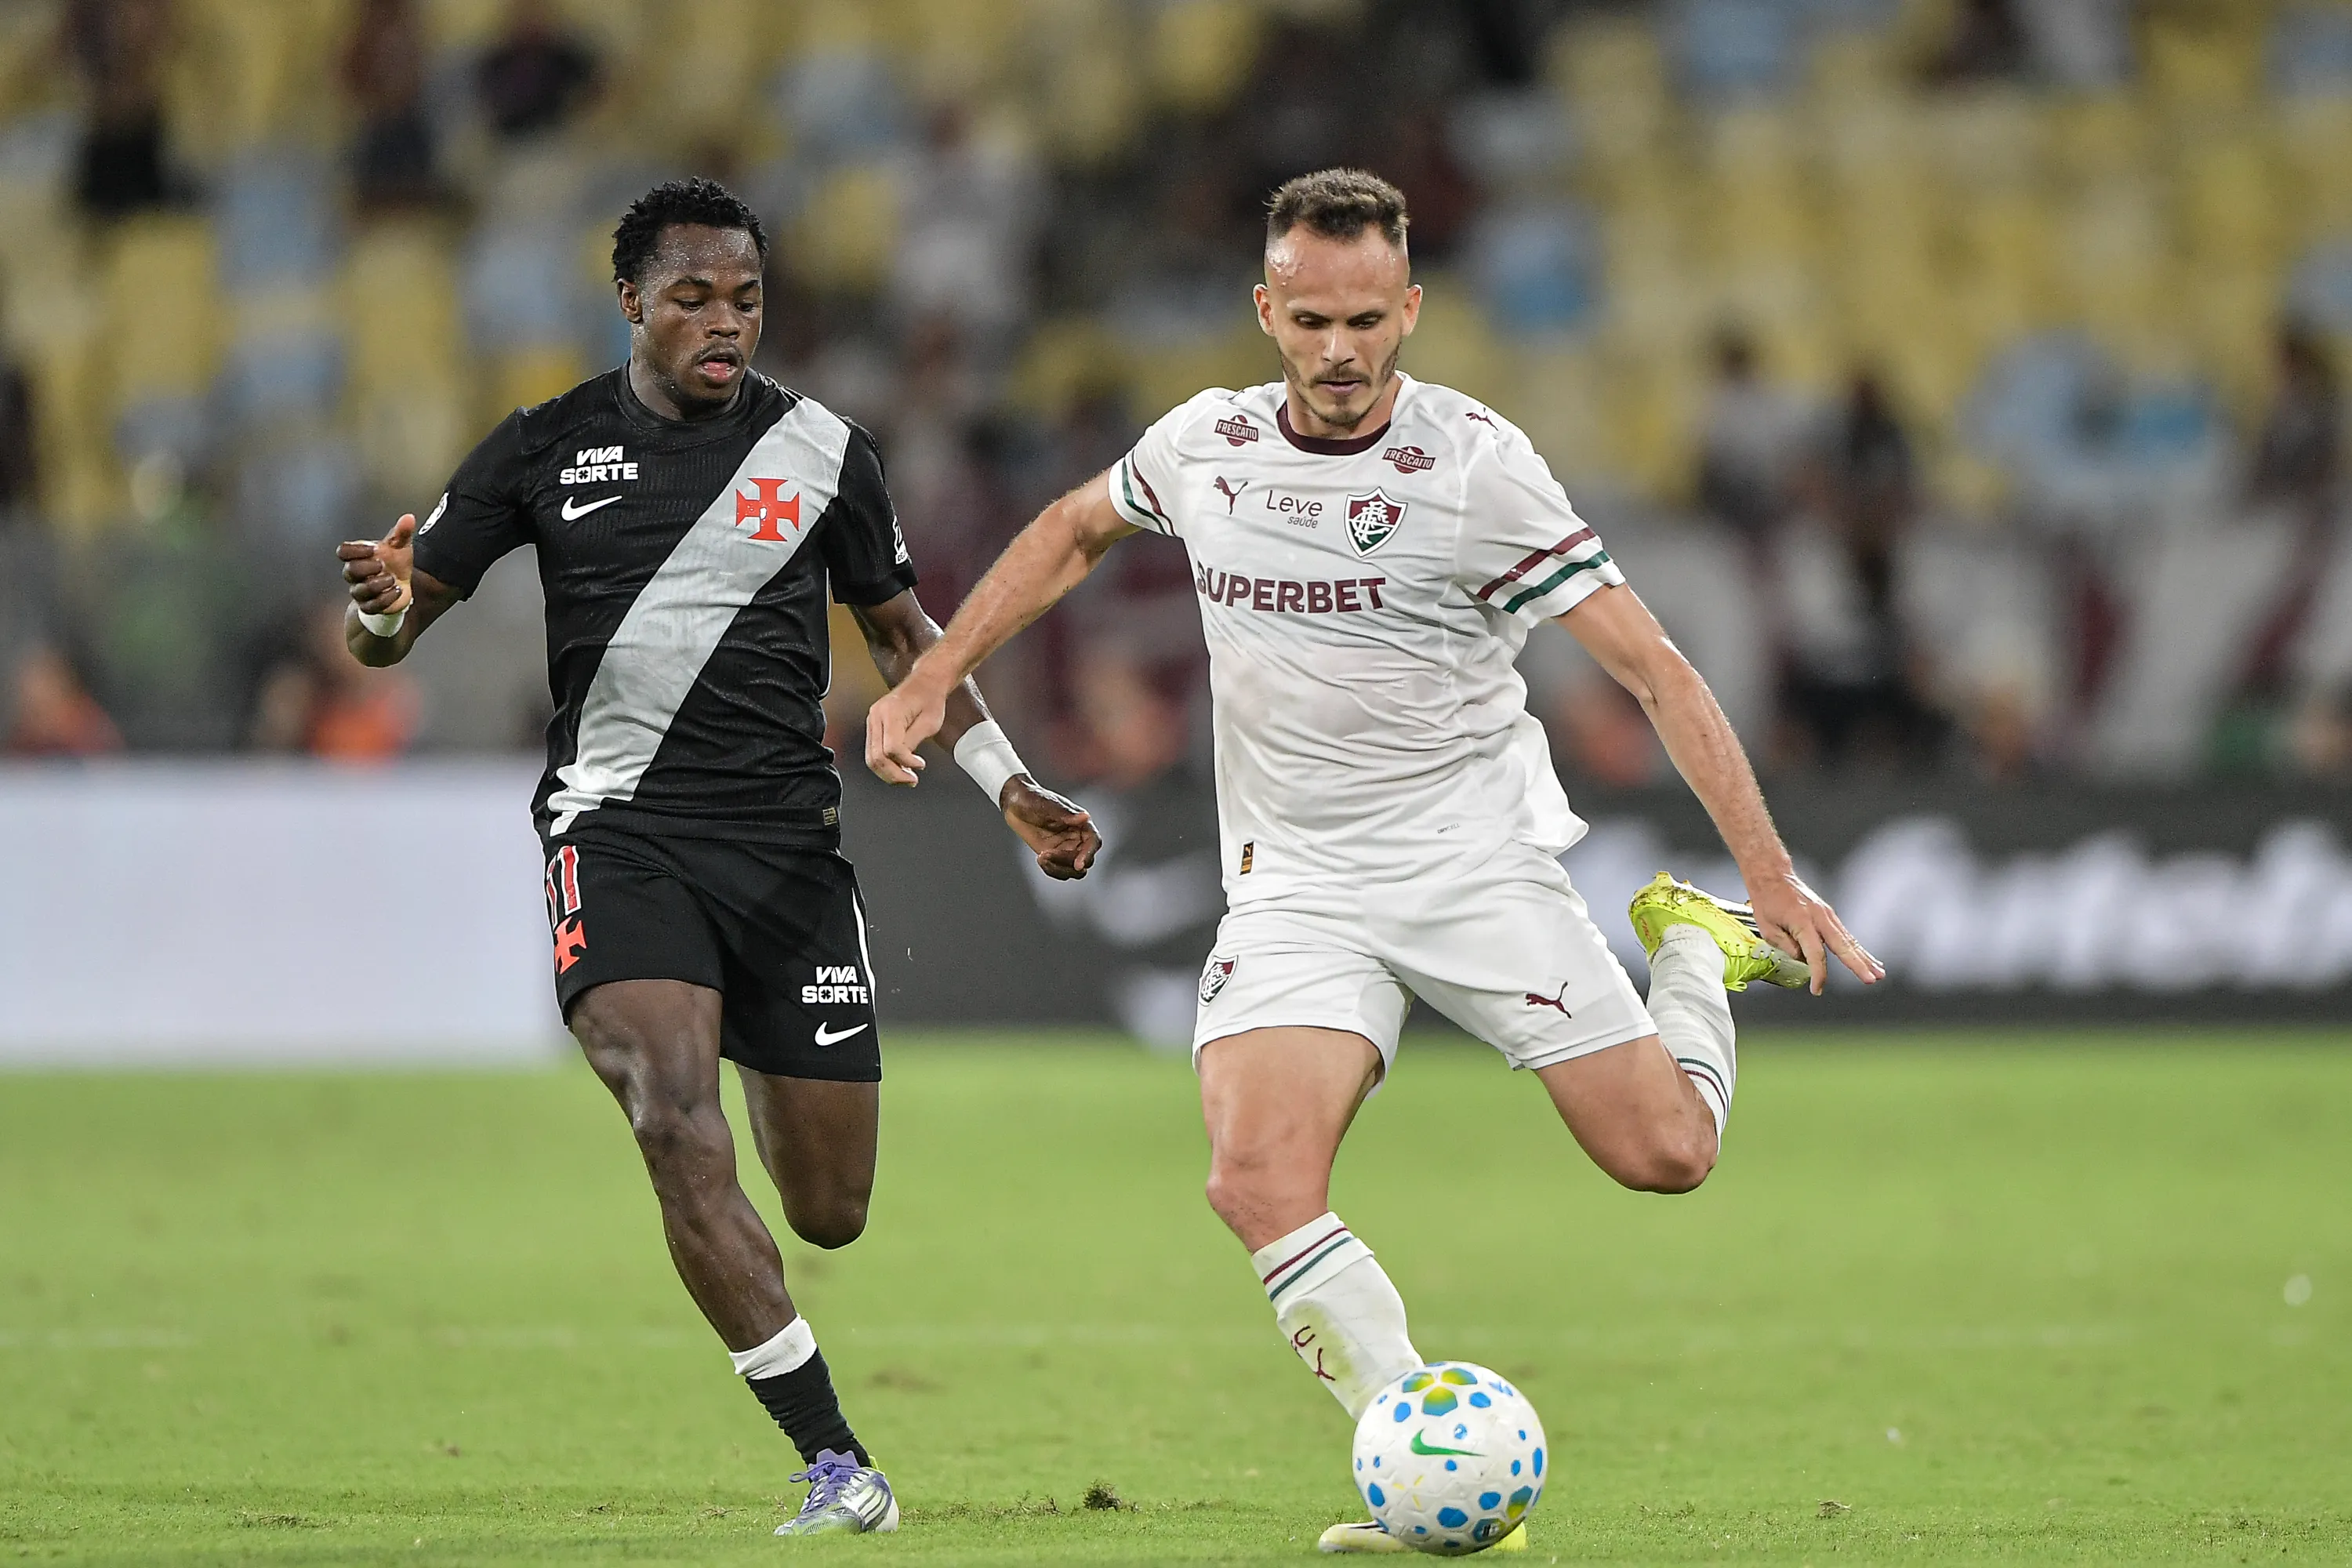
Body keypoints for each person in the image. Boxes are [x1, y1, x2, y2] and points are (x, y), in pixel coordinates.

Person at [866, 169, 1881, 1554]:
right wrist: (937, 675)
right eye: (1311, 321)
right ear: (1266, 310)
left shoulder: (1474, 470)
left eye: (1365, 321)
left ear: (1409, 309)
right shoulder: (1208, 444)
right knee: (1254, 1181)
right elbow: (1071, 530)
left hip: (1473, 866)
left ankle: (1693, 952)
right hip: (1295, 883)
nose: (1339, 352)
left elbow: (1655, 669)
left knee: (1667, 1156)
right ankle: (1419, 1461)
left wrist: (1763, 877)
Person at [336, 178, 1100, 1537]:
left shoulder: (822, 452)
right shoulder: (543, 447)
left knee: (831, 1208)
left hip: (787, 853)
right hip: (618, 834)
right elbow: (392, 629)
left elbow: (906, 638)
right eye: (693, 298)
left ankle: (747, 1039)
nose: (725, 322)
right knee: (669, 1114)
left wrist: (1008, 782)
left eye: (746, 299)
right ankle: (835, 1460)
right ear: (632, 301)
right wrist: (385, 615)